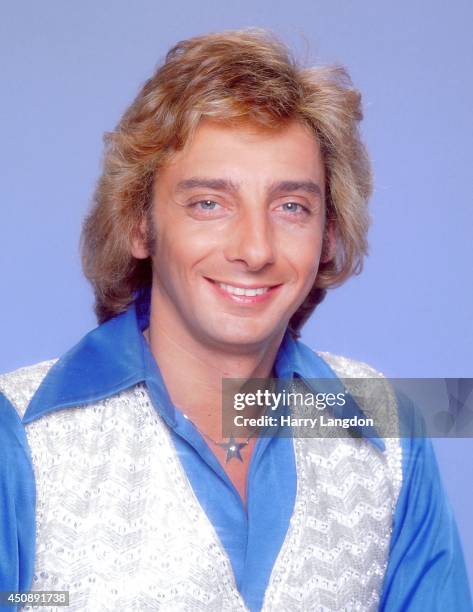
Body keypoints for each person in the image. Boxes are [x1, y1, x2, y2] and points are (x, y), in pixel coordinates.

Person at [0, 29, 471, 612]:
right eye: (208, 204)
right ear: (139, 225)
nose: (255, 249)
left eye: (291, 207)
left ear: (327, 233)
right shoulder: (17, 432)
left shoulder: (390, 428)